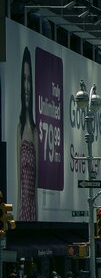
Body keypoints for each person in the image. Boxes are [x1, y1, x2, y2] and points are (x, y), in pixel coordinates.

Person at [17, 47, 38, 221]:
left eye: (29, 80)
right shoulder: (20, 128)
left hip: (32, 208)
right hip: (22, 208)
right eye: (24, 80)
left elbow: (36, 183)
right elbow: (18, 180)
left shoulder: (35, 130)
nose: (26, 86)